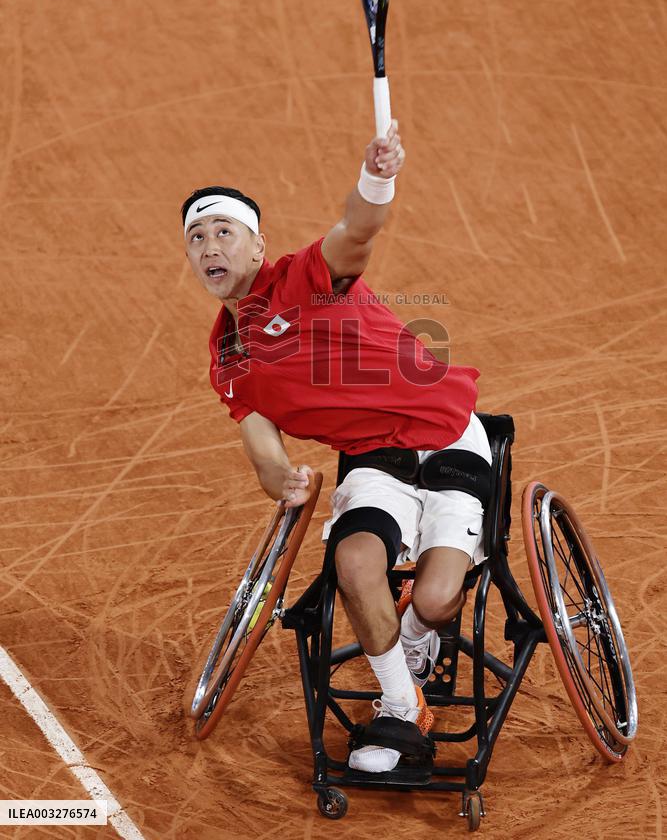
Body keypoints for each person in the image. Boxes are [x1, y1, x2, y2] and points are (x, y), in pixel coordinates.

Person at [182, 121, 492, 773]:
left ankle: (411, 637)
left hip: (448, 438)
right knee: (354, 567)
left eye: (222, 231)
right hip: (374, 461)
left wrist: (376, 175)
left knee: (436, 601)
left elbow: (356, 231)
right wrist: (281, 480)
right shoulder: (228, 355)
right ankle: (401, 709)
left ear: (256, 243)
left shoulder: (300, 281)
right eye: (196, 237)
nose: (210, 246)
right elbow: (260, 443)